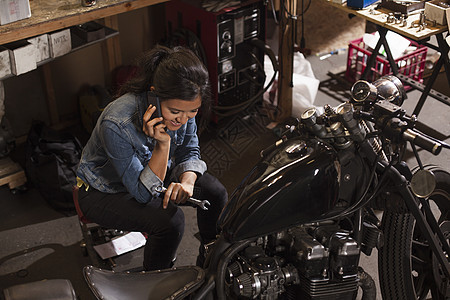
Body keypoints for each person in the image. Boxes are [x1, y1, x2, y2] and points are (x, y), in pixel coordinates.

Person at [76, 45, 228, 271]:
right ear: (155, 94)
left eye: (192, 111)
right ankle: (157, 283)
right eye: (175, 112)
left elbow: (189, 149)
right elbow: (143, 194)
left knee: (216, 193)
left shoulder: (184, 104)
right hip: (104, 192)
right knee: (170, 221)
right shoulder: (117, 123)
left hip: (153, 173)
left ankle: (209, 259)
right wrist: (163, 144)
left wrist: (187, 181)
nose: (183, 120)